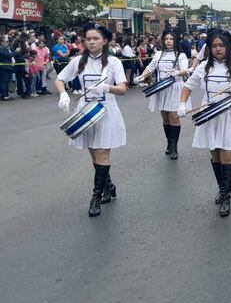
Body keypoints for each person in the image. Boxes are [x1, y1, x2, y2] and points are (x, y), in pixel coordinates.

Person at [55, 23, 128, 217]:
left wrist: (107, 88)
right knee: (94, 154)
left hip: (106, 112)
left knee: (103, 152)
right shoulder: (78, 61)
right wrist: (63, 95)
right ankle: (109, 185)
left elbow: (122, 89)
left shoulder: (114, 63)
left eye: (95, 38)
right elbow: (59, 79)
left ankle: (96, 197)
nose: (91, 42)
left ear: (104, 41)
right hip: (86, 112)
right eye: (88, 39)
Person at [178, 31, 231, 217]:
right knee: (216, 155)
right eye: (214, 46)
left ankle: (226, 197)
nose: (218, 49)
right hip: (209, 114)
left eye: (221, 45)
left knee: (228, 154)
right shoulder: (203, 67)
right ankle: (222, 188)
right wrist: (181, 103)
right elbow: (188, 86)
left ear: (228, 47)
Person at [132, 31, 190, 160]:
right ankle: (169, 144)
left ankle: (174, 147)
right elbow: (151, 67)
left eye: (171, 39)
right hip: (161, 88)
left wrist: (177, 72)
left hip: (175, 88)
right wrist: (142, 76)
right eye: (166, 39)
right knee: (165, 117)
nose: (168, 41)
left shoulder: (180, 55)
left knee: (173, 116)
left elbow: (185, 69)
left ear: (175, 41)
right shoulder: (158, 54)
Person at [0, 36, 14, 101]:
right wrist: (16, 52)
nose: (8, 43)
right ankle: (5, 96)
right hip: (4, 68)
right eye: (6, 42)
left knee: (5, 82)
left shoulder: (5, 48)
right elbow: (8, 55)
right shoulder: (2, 48)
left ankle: (5, 94)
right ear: (2, 42)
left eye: (8, 41)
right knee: (4, 82)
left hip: (6, 67)